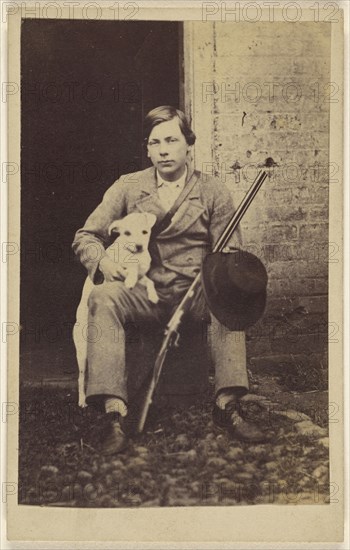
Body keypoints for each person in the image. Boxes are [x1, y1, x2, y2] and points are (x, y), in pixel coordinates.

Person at [72, 105, 265, 454]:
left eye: (172, 140)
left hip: (196, 295)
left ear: (188, 144)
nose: (163, 150)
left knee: (231, 299)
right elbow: (85, 236)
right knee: (103, 298)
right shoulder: (128, 186)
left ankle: (228, 403)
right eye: (155, 142)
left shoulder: (212, 191)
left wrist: (222, 279)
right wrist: (102, 263)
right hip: (145, 292)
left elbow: (230, 257)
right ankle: (113, 413)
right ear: (147, 148)